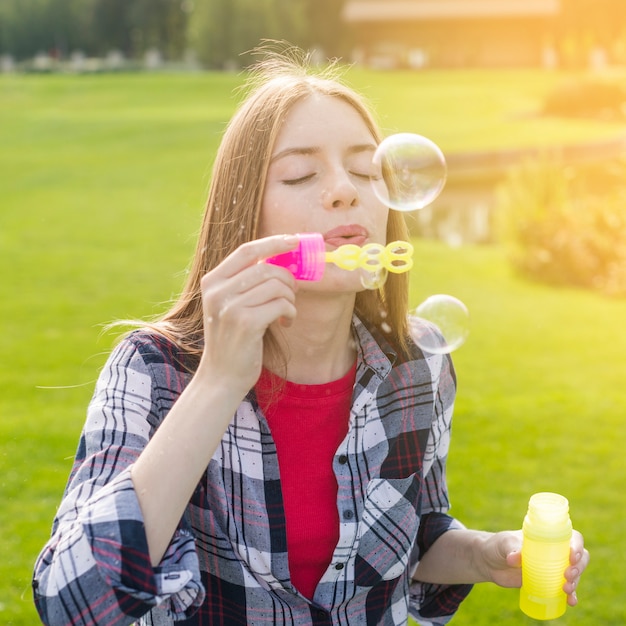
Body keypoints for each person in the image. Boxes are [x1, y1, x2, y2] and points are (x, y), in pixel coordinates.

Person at [33, 44, 589, 626]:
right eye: (300, 173)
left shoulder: (418, 362)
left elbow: (415, 532)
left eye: (366, 169)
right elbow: (72, 601)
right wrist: (218, 382)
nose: (344, 190)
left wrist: (481, 554)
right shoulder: (153, 370)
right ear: (245, 214)